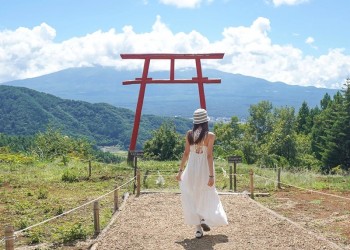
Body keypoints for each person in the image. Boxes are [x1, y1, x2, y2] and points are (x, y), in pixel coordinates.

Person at [176, 108, 228, 239]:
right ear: (205, 121)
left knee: (192, 194)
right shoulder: (210, 136)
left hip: (192, 168)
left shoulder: (189, 134)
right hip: (204, 168)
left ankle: (198, 229)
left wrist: (180, 171)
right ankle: (204, 218)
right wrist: (211, 175)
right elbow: (209, 156)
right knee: (208, 192)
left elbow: (186, 153)